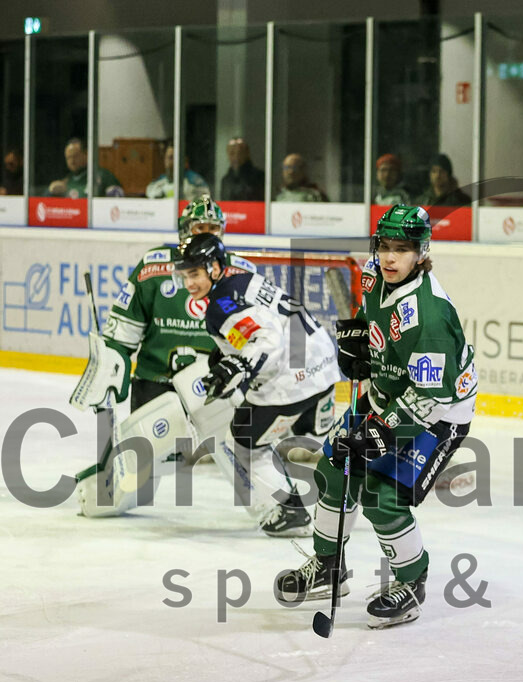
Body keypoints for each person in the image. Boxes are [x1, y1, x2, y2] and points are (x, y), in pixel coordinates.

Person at [275, 205, 478, 629]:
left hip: (438, 413)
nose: (389, 257)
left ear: (421, 253)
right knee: (334, 470)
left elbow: (427, 396)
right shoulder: (373, 274)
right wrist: (357, 342)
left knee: (383, 497)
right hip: (386, 393)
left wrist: (379, 438)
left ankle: (411, 583)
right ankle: (329, 566)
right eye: (384, 246)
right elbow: (373, 321)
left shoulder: (432, 317)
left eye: (401, 250)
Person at [70, 197, 304, 535]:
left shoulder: (242, 273)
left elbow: (265, 335)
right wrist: (109, 368)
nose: (207, 234)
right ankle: (102, 484)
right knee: (121, 490)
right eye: (199, 229)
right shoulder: (152, 268)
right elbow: (121, 333)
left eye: (213, 229)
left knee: (240, 439)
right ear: (184, 232)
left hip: (214, 384)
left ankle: (282, 505)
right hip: (157, 384)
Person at [174, 232, 342, 535]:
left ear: (214, 267)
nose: (189, 283)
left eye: (195, 274)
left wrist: (235, 366)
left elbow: (266, 339)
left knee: (244, 441)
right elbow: (265, 324)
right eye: (186, 275)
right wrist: (228, 355)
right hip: (325, 366)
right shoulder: (245, 279)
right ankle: (365, 485)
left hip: (293, 379)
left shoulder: (218, 305)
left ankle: (292, 511)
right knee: (315, 435)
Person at [48, 138, 123, 198]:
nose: (72, 161)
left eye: (75, 156)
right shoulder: (67, 180)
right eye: (68, 158)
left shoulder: (104, 176)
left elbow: (116, 203)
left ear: (86, 155)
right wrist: (50, 191)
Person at [145, 143, 211, 201]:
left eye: (171, 157)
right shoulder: (162, 180)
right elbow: (149, 192)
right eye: (166, 157)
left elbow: (205, 197)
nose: (168, 161)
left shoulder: (193, 180)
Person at [220, 137, 265, 201]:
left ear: (247, 154)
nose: (236, 157)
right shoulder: (225, 181)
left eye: (240, 153)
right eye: (232, 153)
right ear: (228, 155)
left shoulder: (259, 177)